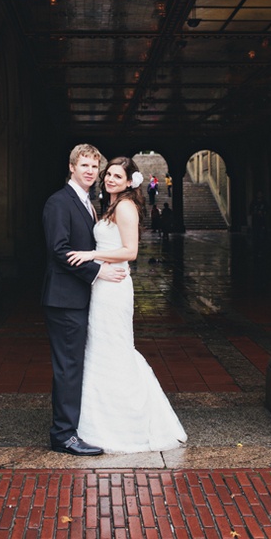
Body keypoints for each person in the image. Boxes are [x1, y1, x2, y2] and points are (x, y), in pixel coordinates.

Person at [67, 156, 187, 453]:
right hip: (103, 285)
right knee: (101, 348)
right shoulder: (108, 206)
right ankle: (97, 420)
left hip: (115, 286)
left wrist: (90, 255)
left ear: (129, 181)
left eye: (117, 176)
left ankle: (127, 422)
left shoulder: (124, 206)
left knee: (115, 347)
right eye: (108, 174)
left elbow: (131, 251)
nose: (109, 179)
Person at [42, 144, 127, 456]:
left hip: (78, 297)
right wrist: (98, 271)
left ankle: (72, 427)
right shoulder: (58, 202)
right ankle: (63, 435)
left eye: (95, 167)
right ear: (71, 167)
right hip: (63, 299)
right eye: (85, 166)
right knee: (68, 366)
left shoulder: (88, 203)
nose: (90, 171)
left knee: (75, 364)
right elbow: (59, 250)